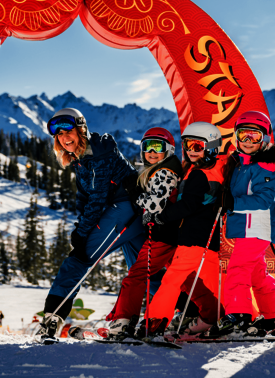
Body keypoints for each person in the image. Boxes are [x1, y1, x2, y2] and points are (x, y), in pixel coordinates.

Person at [37, 108, 145, 338]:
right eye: (59, 134)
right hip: (131, 211)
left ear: (81, 130)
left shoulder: (98, 153)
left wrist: (82, 233)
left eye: (68, 131)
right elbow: (84, 198)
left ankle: (52, 319)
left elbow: (97, 198)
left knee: (79, 259)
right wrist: (81, 226)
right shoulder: (81, 158)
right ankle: (186, 313)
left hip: (125, 210)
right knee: (144, 268)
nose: (64, 137)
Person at [202, 111, 275, 338]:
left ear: (264, 139)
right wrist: (222, 199)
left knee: (238, 270)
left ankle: (238, 315)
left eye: (254, 136)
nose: (248, 141)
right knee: (257, 275)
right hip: (245, 227)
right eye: (244, 135)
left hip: (255, 227)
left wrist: (232, 202)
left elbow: (263, 200)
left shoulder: (266, 166)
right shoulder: (239, 164)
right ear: (236, 137)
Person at [136, 122, 226, 337]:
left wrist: (160, 216)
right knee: (212, 282)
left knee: (173, 278)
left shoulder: (198, 174)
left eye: (197, 146)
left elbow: (188, 205)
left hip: (192, 237)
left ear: (211, 147)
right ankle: (224, 318)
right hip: (211, 239)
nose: (191, 150)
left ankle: (154, 322)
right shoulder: (217, 171)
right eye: (187, 145)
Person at [105, 127, 183, 338]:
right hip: (170, 234)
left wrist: (135, 193)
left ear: (168, 149)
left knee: (136, 276)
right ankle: (200, 314)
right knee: (182, 278)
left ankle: (124, 320)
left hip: (162, 236)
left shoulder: (164, 172)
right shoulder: (160, 170)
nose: (152, 151)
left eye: (158, 146)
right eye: (147, 146)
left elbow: (155, 205)